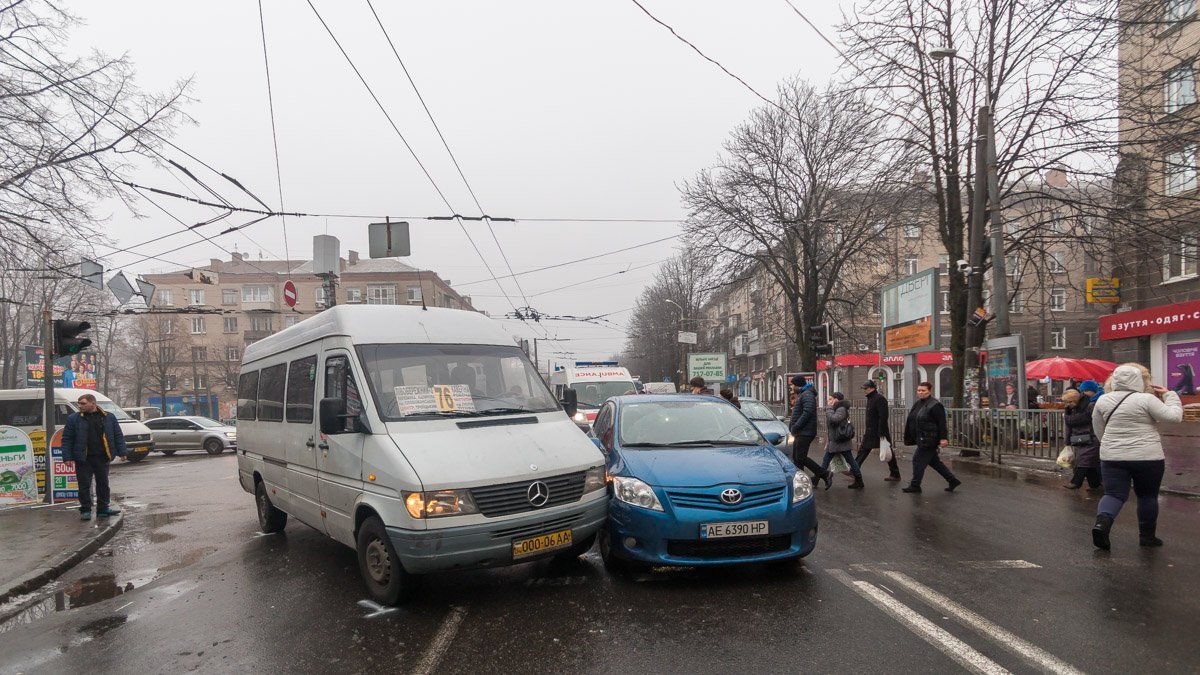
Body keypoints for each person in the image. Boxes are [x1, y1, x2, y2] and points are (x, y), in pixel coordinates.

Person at [1090, 363, 1183, 550]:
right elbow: (1174, 417)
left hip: (1112, 456)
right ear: (1139, 380)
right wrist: (1169, 395)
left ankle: (1102, 524)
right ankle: (1147, 537)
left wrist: (1111, 445)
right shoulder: (1146, 399)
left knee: (1114, 494)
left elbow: (1098, 429)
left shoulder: (1103, 400)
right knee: (1147, 496)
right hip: (1148, 457)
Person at [60, 393, 127, 520]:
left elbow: (117, 435)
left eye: (83, 403)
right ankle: (85, 509)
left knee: (103, 484)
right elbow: (67, 439)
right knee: (84, 485)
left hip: (102, 456)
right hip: (83, 458)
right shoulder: (73, 419)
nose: (80, 406)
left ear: (93, 403)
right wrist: (67, 457)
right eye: (79, 404)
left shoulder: (108, 417)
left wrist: (122, 451)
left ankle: (103, 509)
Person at [901, 381, 961, 494]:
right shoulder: (918, 403)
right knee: (934, 462)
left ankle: (915, 485)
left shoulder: (935, 405)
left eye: (923, 390)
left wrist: (943, 438)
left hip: (930, 439)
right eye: (919, 390)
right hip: (921, 437)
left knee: (917, 460)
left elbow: (941, 423)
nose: (920, 392)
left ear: (929, 391)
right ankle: (953, 480)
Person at [788, 375, 831, 489]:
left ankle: (824, 474)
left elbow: (808, 412)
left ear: (797, 385)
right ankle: (801, 483)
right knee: (797, 458)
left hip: (805, 432)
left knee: (800, 457)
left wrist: (796, 425)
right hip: (801, 431)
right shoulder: (804, 394)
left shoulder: (807, 395)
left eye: (793, 384)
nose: (792, 387)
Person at [855, 380, 901, 482]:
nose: (864, 391)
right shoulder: (871, 398)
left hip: (878, 431)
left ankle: (895, 473)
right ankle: (854, 469)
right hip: (871, 430)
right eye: (864, 389)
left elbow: (883, 416)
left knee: (887, 451)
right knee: (864, 450)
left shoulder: (879, 399)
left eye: (866, 388)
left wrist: (881, 431)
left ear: (872, 388)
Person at [1061, 389, 1101, 492]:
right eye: (1066, 402)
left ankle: (1076, 482)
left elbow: (1096, 420)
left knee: (1083, 461)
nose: (1067, 405)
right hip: (1079, 438)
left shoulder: (1090, 406)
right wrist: (1067, 441)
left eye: (1069, 402)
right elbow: (1068, 426)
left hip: (1091, 438)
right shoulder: (1071, 409)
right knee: (1088, 463)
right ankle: (1095, 484)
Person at [822, 393, 864, 489]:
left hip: (840, 440)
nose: (828, 401)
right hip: (835, 440)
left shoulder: (841, 409)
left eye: (830, 399)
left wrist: (828, 408)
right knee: (826, 460)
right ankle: (818, 477)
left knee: (850, 460)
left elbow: (834, 419)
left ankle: (859, 480)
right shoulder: (837, 408)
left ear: (836, 400)